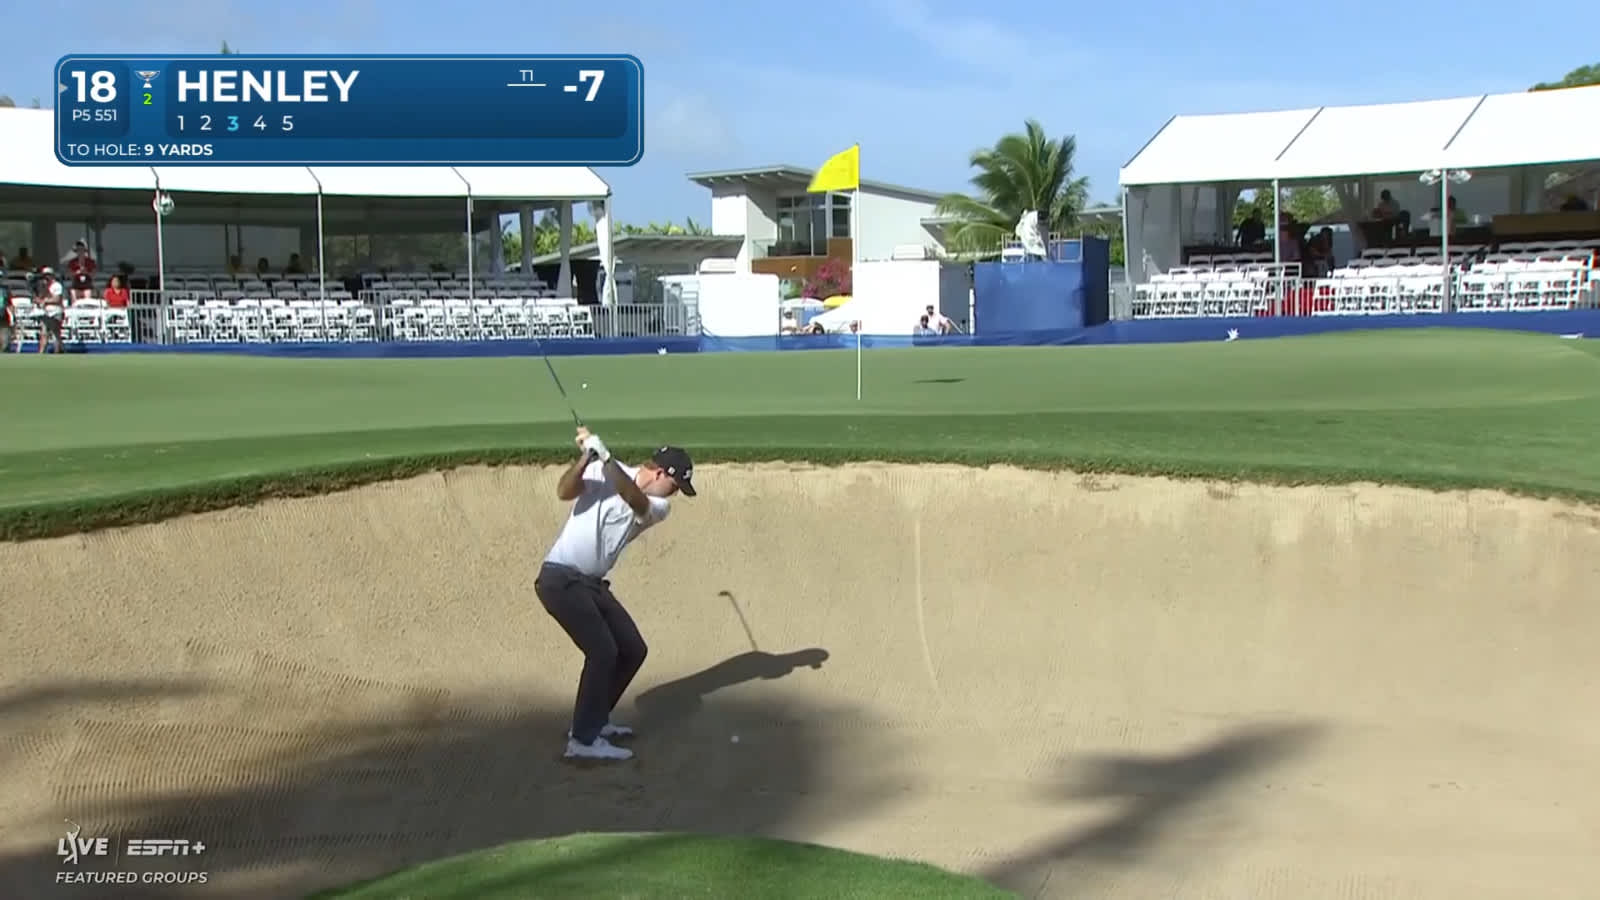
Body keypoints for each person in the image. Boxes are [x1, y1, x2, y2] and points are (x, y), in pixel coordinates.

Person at [536, 426, 697, 761]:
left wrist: (605, 457)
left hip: (591, 584)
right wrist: (586, 459)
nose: (676, 493)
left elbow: (632, 498)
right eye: (676, 484)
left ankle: (594, 720)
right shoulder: (602, 469)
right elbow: (564, 491)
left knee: (632, 650)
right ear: (659, 472)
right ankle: (581, 739)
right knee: (603, 652)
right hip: (560, 579)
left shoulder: (657, 506)